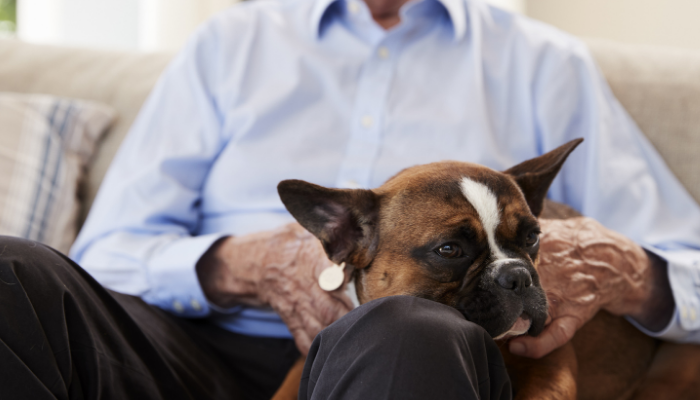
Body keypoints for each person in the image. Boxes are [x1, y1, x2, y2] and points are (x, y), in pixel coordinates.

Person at [1, 0, 699, 398]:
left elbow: (688, 257)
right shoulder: (229, 44)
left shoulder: (544, 63)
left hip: (423, 359)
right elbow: (104, 253)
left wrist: (629, 268)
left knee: (404, 326)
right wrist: (240, 266)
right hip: (200, 351)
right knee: (13, 276)